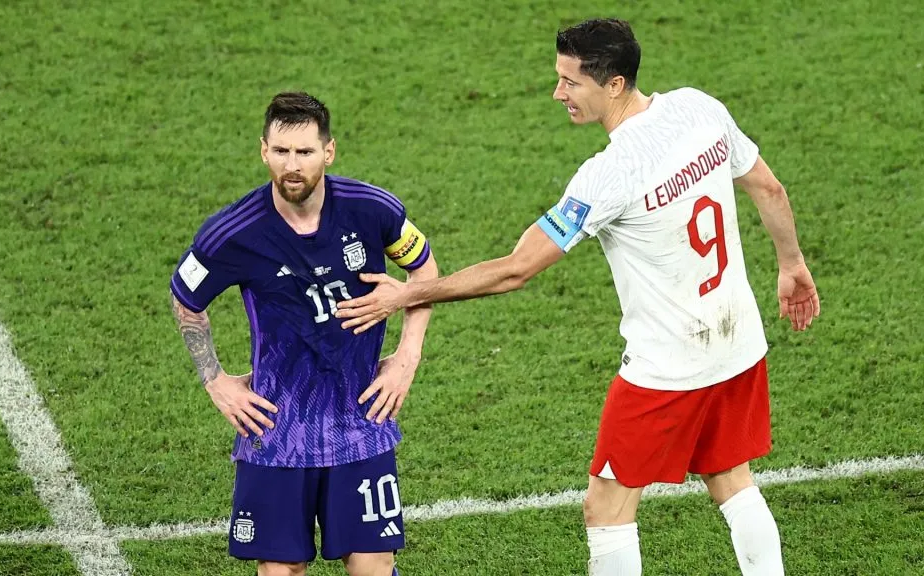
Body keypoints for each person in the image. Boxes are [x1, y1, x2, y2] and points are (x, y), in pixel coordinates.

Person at [334, 18, 819, 576]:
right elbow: (768, 187)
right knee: (731, 478)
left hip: (665, 370)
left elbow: (516, 270)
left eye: (570, 82)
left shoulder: (609, 173)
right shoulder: (699, 108)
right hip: (738, 345)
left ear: (612, 84)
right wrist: (792, 264)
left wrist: (408, 293)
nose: (557, 92)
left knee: (606, 509)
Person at [169, 91, 437, 576]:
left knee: (372, 565)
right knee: (281, 570)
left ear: (328, 152)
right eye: (282, 151)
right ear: (263, 151)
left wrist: (406, 358)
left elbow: (425, 271)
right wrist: (216, 380)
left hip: (361, 422)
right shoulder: (232, 233)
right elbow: (186, 301)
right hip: (276, 431)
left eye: (305, 152)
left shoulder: (371, 209)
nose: (293, 165)